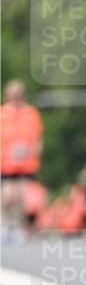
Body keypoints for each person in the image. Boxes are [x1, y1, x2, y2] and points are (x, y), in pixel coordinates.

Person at [1, 80, 43, 242]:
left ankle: (17, 226)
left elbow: (37, 136)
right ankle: (4, 224)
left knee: (21, 196)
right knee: (7, 195)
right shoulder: (3, 114)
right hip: (6, 162)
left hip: (26, 162)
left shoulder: (31, 113)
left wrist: (35, 152)